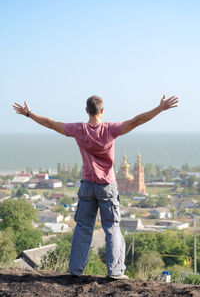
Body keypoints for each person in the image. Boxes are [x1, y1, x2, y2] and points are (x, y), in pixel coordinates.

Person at [13, 94, 178, 279]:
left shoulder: (79, 129)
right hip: (107, 186)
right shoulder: (110, 129)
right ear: (102, 110)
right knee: (112, 227)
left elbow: (51, 123)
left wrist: (29, 114)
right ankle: (115, 272)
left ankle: (75, 271)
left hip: (87, 186)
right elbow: (137, 120)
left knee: (83, 227)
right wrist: (160, 108)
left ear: (86, 111)